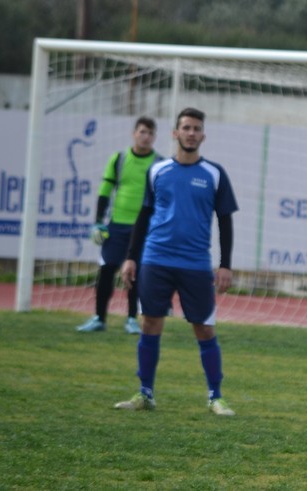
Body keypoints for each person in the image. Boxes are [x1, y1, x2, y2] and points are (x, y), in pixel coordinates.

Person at [113, 107, 239, 417]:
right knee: (150, 323)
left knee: (204, 329)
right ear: (175, 133)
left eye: (196, 128)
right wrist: (131, 257)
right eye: (186, 127)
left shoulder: (214, 174)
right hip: (156, 259)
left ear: (203, 135)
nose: (191, 133)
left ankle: (216, 397)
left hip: (195, 263)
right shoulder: (157, 171)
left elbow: (225, 220)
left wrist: (225, 264)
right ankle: (145, 393)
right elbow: (144, 215)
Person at [77, 116, 160, 334]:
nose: (146, 137)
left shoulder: (158, 164)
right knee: (106, 270)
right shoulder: (119, 159)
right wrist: (98, 222)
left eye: (150, 133)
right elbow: (105, 191)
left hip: (144, 228)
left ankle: (132, 319)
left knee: (135, 273)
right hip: (116, 226)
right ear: (134, 134)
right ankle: (99, 318)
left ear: (154, 137)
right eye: (142, 132)